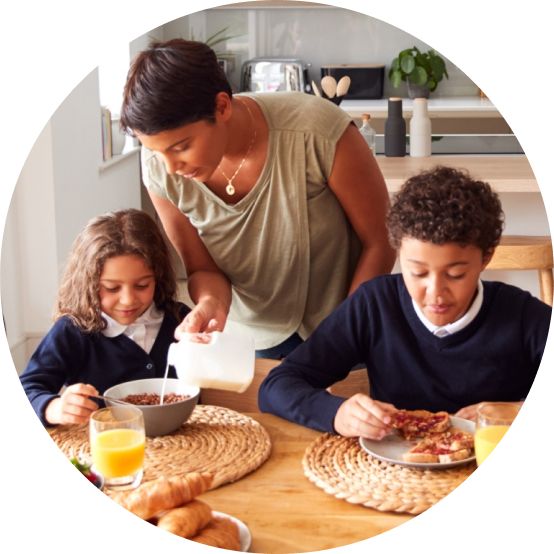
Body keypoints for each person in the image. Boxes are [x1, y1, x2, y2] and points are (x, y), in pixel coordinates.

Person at [119, 39, 395, 358]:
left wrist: (347, 331)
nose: (171, 167)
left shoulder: (316, 131)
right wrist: (210, 305)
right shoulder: (159, 169)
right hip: (249, 340)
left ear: (221, 107)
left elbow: (381, 239)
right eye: (157, 152)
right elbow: (202, 270)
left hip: (343, 323)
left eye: (181, 146)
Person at [258, 166, 551, 438]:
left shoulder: (522, 316)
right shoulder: (374, 305)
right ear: (399, 253)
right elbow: (276, 387)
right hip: (394, 476)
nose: (435, 292)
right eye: (418, 272)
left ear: (485, 258)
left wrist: (519, 410)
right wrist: (336, 413)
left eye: (456, 274)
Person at [19, 209, 190, 426]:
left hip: (185, 448)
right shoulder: (73, 330)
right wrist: (54, 407)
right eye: (111, 288)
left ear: (158, 277)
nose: (128, 300)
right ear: (88, 283)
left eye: (141, 285)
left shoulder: (180, 320)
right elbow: (27, 388)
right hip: (106, 449)